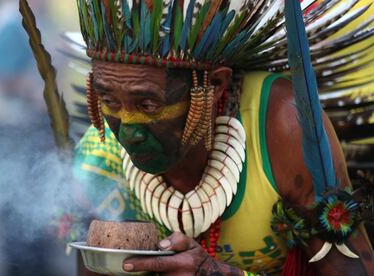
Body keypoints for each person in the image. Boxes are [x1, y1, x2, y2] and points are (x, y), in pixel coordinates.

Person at [62, 1, 374, 275]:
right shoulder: (99, 159)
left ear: (214, 85)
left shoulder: (283, 123)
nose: (128, 131)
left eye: (148, 104)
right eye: (110, 102)